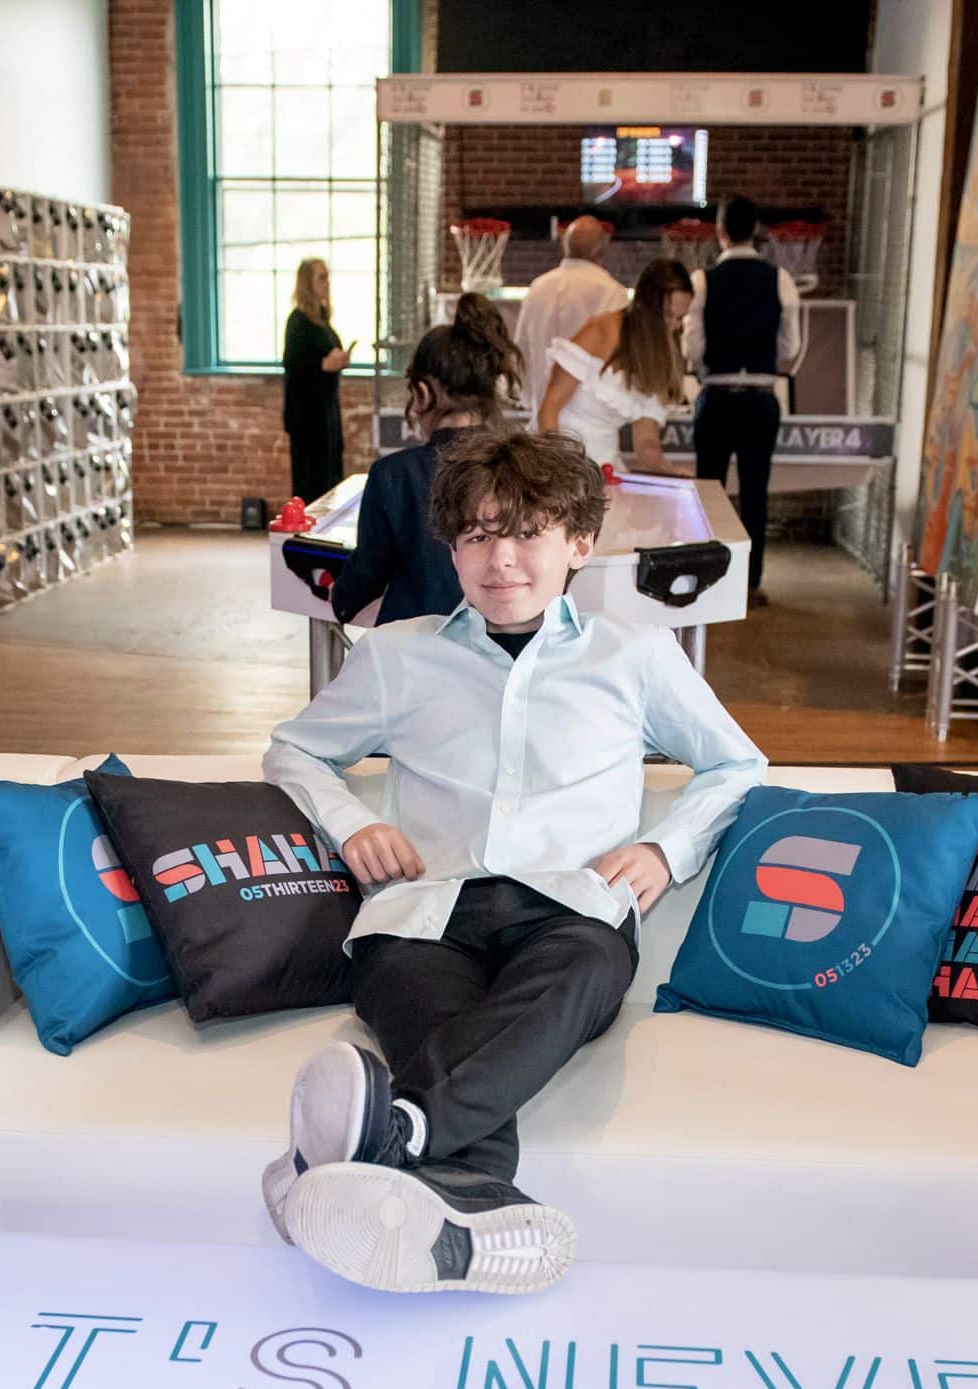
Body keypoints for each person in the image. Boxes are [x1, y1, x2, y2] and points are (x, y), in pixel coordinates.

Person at [260, 430, 766, 1296]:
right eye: (478, 536)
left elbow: (737, 763)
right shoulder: (394, 655)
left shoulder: (635, 657)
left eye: (527, 533)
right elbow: (293, 752)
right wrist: (349, 825)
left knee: (576, 976)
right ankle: (466, 1205)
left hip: (571, 915)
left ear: (579, 542)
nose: (502, 560)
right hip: (421, 918)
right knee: (441, 1021)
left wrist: (665, 849)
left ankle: (389, 1138)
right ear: (451, 547)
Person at [330, 292, 524, 627]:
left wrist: (341, 598)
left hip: (414, 654)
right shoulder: (527, 464)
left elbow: (367, 574)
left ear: (422, 393)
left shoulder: (393, 475)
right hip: (503, 651)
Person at [682, 194, 803, 602]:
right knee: (756, 491)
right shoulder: (779, 278)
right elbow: (791, 345)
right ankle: (750, 585)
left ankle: (705, 579)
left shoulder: (703, 280)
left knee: (707, 492)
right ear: (756, 231)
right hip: (760, 398)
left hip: (716, 395)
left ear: (719, 233)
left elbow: (692, 349)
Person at [535, 259, 692, 475]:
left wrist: (668, 470)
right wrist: (561, 473)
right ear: (645, 306)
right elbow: (548, 410)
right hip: (556, 458)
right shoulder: (600, 332)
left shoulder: (659, 359)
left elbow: (645, 440)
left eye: (681, 318)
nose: (675, 326)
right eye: (667, 315)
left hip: (605, 466)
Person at [514, 217, 628, 423]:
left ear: (565, 245)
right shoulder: (612, 292)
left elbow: (521, 351)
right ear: (600, 249)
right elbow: (617, 359)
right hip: (590, 421)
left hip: (541, 416)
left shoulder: (538, 287)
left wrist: (531, 399)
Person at [282, 257, 353, 503]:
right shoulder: (298, 321)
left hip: (326, 410)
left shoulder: (321, 320)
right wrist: (323, 364)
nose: (326, 283)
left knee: (330, 474)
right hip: (307, 415)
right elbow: (293, 363)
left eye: (327, 277)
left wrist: (339, 360)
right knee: (310, 478)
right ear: (307, 283)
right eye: (321, 278)